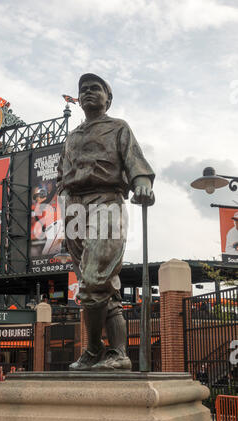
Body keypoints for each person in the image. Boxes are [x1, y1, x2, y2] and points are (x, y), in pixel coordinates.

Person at [57, 73, 155, 371]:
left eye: (95, 88)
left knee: (95, 278)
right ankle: (117, 354)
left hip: (106, 200)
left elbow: (135, 161)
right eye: (83, 89)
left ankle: (93, 348)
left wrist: (142, 183)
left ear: (107, 98)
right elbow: (62, 175)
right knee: (95, 285)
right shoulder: (71, 136)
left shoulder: (118, 127)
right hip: (74, 206)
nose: (87, 92)